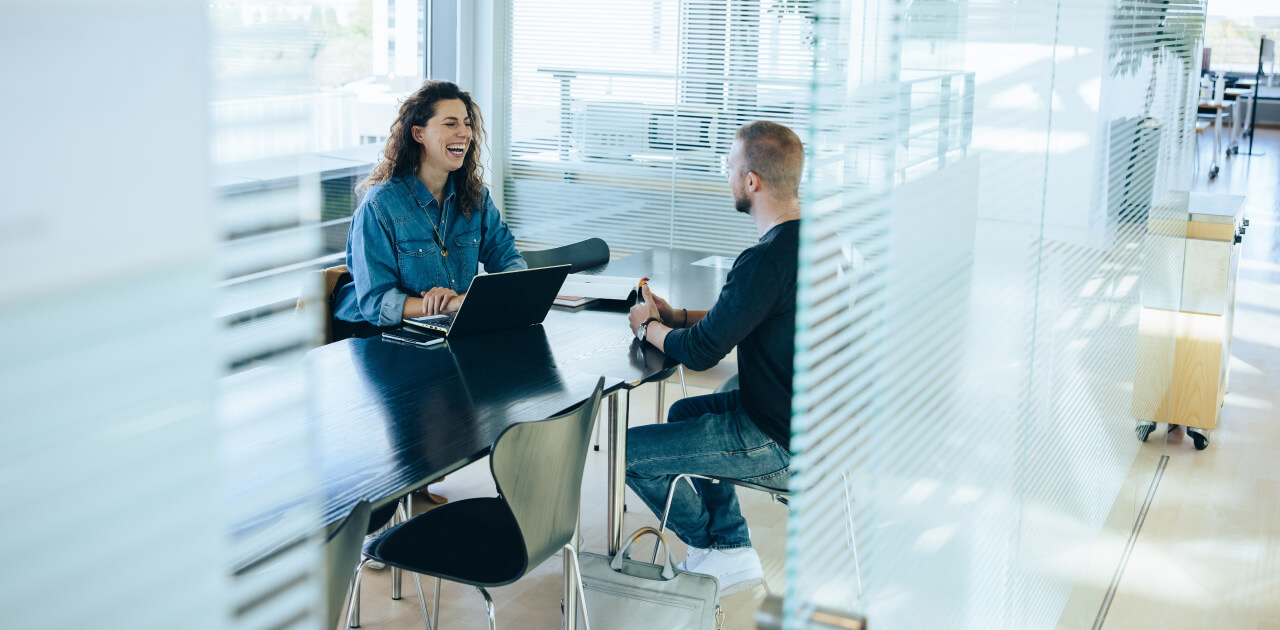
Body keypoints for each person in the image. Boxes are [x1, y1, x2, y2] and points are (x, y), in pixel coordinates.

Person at [625, 121, 801, 596]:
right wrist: (676, 315)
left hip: (778, 442)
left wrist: (647, 326)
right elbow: (746, 315)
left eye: (729, 168)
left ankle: (716, 551)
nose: (725, 176)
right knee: (686, 411)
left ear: (751, 181)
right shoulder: (811, 246)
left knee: (630, 454)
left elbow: (702, 353)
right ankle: (730, 542)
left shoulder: (764, 259)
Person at [332, 80, 526, 340]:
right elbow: (376, 303)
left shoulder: (476, 196)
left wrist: (464, 300)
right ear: (418, 134)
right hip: (376, 335)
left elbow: (511, 263)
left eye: (467, 123)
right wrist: (450, 305)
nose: (465, 133)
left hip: (446, 328)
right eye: (450, 123)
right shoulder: (379, 206)